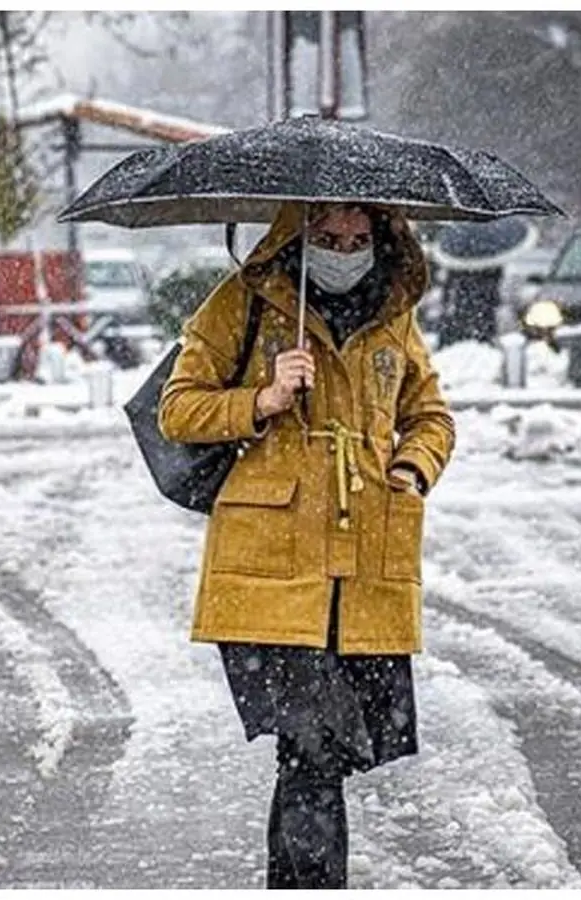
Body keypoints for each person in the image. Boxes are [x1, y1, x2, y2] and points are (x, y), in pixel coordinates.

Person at [157, 201, 455, 889]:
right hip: (270, 572)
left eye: (357, 239)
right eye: (325, 237)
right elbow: (178, 409)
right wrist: (261, 399)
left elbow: (430, 416)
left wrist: (412, 468)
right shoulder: (244, 303)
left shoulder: (392, 315)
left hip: (363, 573)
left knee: (319, 754)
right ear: (298, 236)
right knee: (317, 746)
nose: (343, 251)